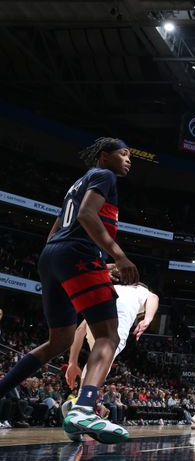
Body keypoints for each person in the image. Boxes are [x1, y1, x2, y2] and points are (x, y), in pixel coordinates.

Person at [0, 138, 137, 444]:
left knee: (59, 340)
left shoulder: (77, 183)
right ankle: (84, 408)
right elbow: (87, 216)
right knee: (108, 335)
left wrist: (80, 260)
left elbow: (59, 226)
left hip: (53, 256)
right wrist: (118, 255)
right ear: (104, 156)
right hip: (77, 255)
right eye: (123, 154)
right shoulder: (104, 176)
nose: (129, 160)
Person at [65, 280, 159, 388]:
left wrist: (72, 362)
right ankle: (84, 399)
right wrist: (147, 319)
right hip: (115, 326)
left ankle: (83, 397)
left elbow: (80, 330)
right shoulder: (141, 290)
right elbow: (154, 298)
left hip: (96, 320)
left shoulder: (114, 288)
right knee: (102, 361)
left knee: (98, 358)